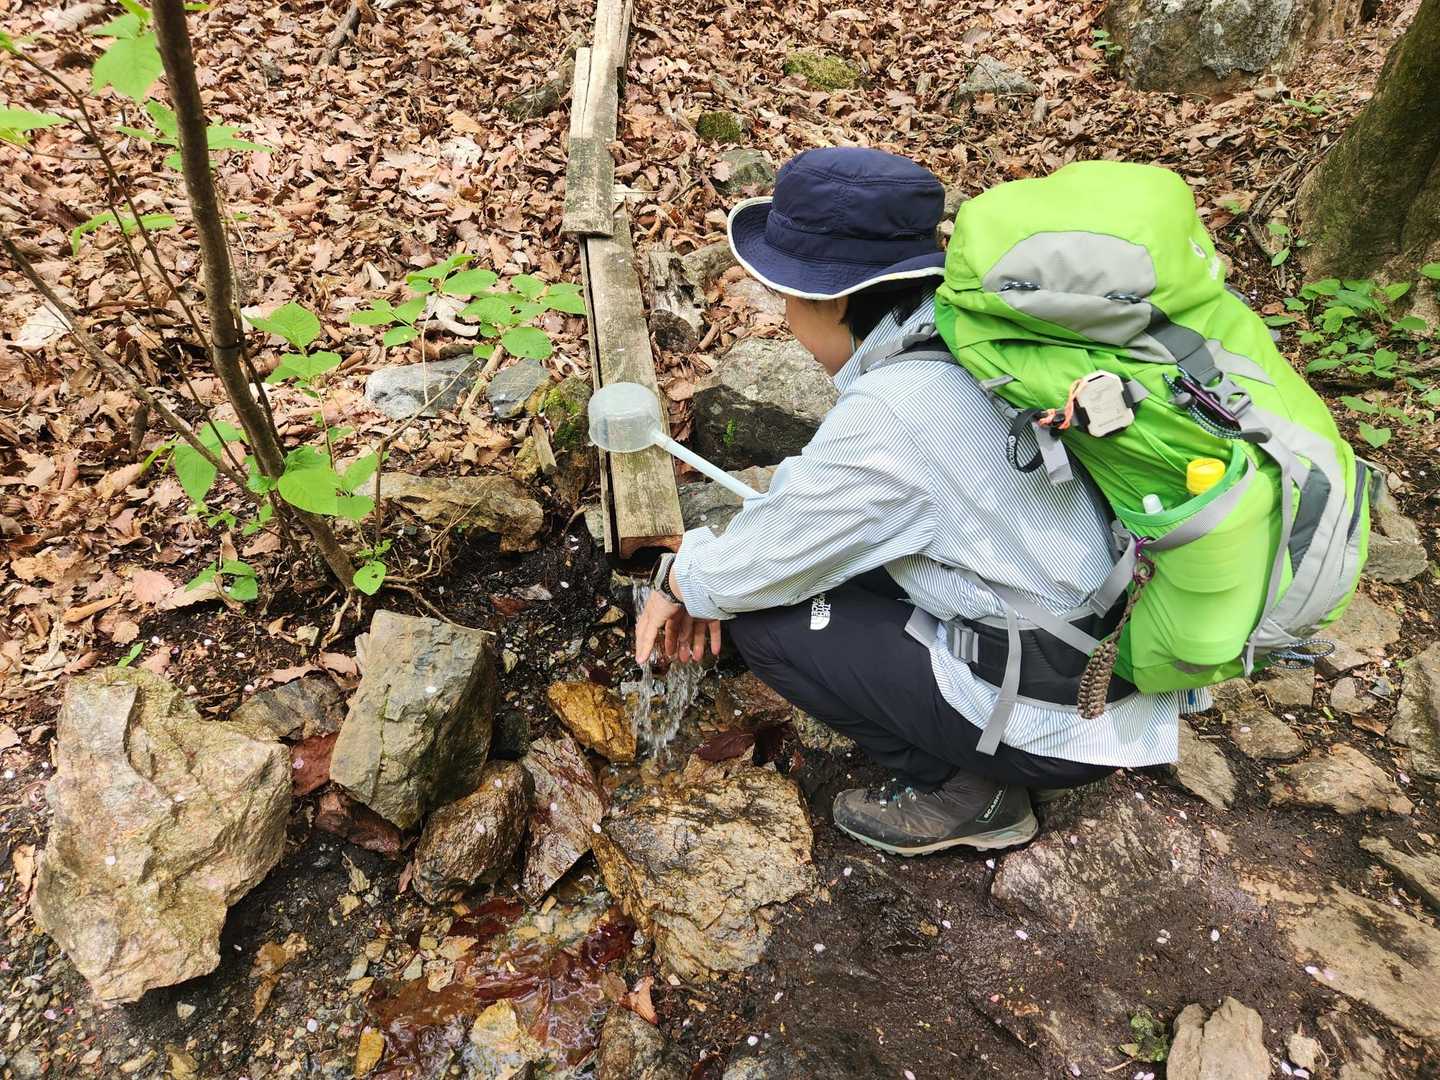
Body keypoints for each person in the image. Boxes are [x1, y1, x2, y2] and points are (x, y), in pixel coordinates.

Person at [633, 147, 1182, 856]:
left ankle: (969, 793)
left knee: (768, 626)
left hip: (1066, 719)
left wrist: (679, 581)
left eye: (787, 298)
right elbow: (824, 509)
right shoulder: (978, 339)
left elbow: (758, 565)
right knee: (826, 571)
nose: (786, 317)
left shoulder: (895, 411)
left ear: (831, 299)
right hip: (1114, 650)